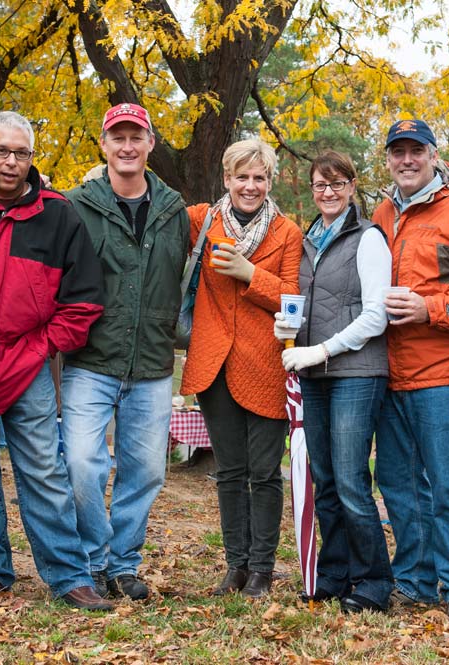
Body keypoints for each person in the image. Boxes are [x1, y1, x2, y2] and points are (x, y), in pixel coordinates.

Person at [0, 111, 110, 611]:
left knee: (43, 470)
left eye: (21, 153)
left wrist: (44, 346)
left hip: (25, 365)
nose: (11, 162)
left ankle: (68, 575)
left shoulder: (58, 215)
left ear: (31, 158)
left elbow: (84, 299)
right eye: (1, 151)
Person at [61, 103, 189, 600]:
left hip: (153, 365)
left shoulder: (175, 211)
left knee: (146, 471)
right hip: (91, 361)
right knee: (81, 464)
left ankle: (124, 565)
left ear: (150, 144)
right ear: (104, 144)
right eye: (119, 137)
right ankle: (92, 560)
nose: (128, 146)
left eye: (137, 137)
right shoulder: (76, 206)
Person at [370, 119, 449, 617]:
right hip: (387, 372)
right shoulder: (381, 213)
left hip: (444, 374)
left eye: (415, 151)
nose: (406, 160)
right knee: (398, 486)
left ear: (433, 155)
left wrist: (431, 308)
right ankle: (415, 581)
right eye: (397, 152)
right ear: (389, 160)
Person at [179, 139, 302, 598]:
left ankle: (264, 571)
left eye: (260, 178)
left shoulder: (287, 232)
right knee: (230, 471)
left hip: (266, 363)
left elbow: (293, 296)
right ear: (227, 179)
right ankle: (236, 567)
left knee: (265, 472)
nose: (251, 186)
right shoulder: (202, 221)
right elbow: (152, 202)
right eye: (242, 177)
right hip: (214, 363)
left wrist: (250, 274)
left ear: (269, 182)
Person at [274, 150, 393, 614]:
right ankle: (336, 572)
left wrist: (321, 349)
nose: (328, 192)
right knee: (323, 479)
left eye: (337, 183)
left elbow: (375, 316)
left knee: (349, 480)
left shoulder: (368, 239)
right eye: (320, 185)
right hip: (312, 372)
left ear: (352, 186)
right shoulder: (306, 241)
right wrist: (290, 332)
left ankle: (374, 581)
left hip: (356, 373)